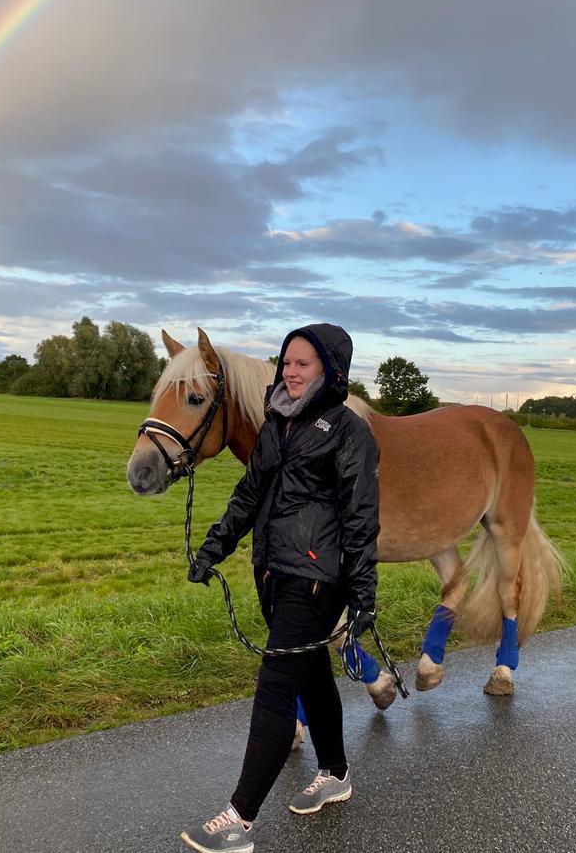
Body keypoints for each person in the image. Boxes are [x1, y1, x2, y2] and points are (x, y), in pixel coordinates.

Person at [180, 323, 380, 853]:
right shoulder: (277, 424)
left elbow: (361, 517)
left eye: (303, 364)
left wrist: (364, 594)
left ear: (330, 372)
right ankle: (335, 772)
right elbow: (249, 494)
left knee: (275, 686)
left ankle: (238, 821)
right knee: (311, 675)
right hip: (272, 571)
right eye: (286, 362)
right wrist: (213, 547)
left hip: (318, 579)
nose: (290, 372)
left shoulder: (348, 431)